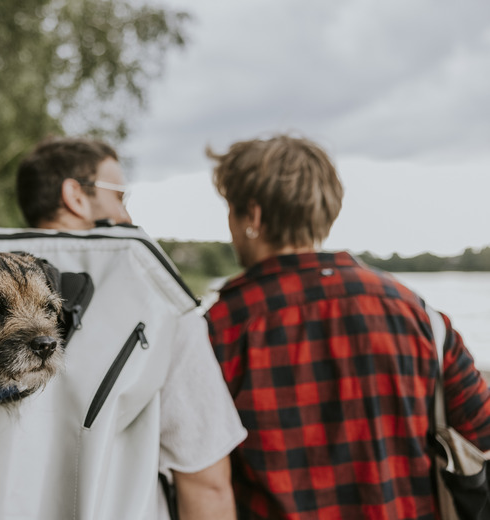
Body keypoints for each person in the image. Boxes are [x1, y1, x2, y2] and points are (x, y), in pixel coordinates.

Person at [205, 134, 490, 519]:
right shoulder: (419, 315)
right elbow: (481, 430)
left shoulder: (220, 329)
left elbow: (203, 478)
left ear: (252, 216)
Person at [17, 136, 247, 519]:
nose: (126, 215)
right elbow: (205, 480)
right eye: (119, 196)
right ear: (75, 196)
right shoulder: (157, 302)